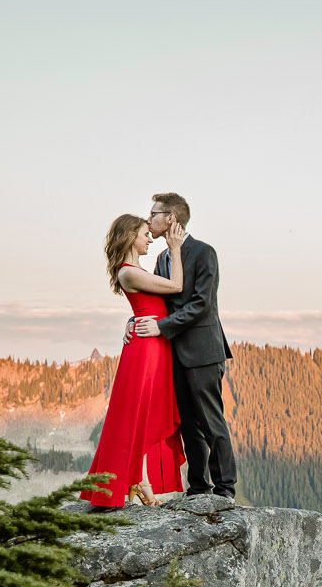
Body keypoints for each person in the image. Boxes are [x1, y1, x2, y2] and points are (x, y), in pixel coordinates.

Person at [130, 192, 237, 498]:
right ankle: (199, 487)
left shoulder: (204, 253)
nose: (150, 220)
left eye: (154, 215)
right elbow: (154, 300)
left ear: (171, 218)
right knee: (188, 424)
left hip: (204, 351)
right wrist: (132, 322)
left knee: (211, 421)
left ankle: (225, 488)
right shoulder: (164, 258)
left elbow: (202, 304)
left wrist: (162, 327)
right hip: (174, 353)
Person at [85, 214, 185, 510]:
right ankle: (138, 480)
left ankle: (138, 479)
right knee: (138, 412)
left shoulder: (135, 270)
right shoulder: (128, 271)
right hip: (145, 349)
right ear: (130, 236)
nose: (149, 239)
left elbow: (149, 306)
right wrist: (176, 249)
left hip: (153, 343)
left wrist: (133, 319)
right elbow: (176, 286)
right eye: (145, 234)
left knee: (144, 411)